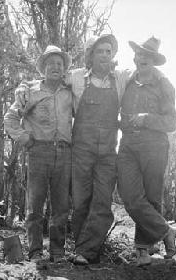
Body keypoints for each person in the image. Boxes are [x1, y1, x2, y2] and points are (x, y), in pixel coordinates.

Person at [16, 35, 131, 265]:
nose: (105, 56)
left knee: (102, 203)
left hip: (107, 152)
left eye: (109, 52)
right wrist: (23, 86)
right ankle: (78, 250)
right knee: (79, 203)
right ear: (91, 55)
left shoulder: (120, 79)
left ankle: (86, 251)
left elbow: (141, 76)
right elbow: (49, 79)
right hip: (80, 152)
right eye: (100, 51)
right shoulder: (77, 78)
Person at [4, 45, 73, 263]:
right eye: (50, 63)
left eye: (59, 64)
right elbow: (10, 118)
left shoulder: (69, 91)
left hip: (64, 152)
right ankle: (35, 251)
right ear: (43, 68)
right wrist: (25, 138)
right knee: (35, 206)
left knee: (61, 206)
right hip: (38, 152)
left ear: (64, 69)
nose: (55, 67)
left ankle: (57, 252)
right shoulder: (30, 91)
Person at [117, 36, 176, 266]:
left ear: (154, 61)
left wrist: (146, 119)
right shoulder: (126, 81)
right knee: (130, 197)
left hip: (155, 146)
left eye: (148, 56)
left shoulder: (164, 85)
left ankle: (143, 251)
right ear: (134, 56)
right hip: (128, 146)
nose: (142, 59)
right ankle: (166, 232)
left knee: (152, 198)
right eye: (140, 54)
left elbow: (172, 122)